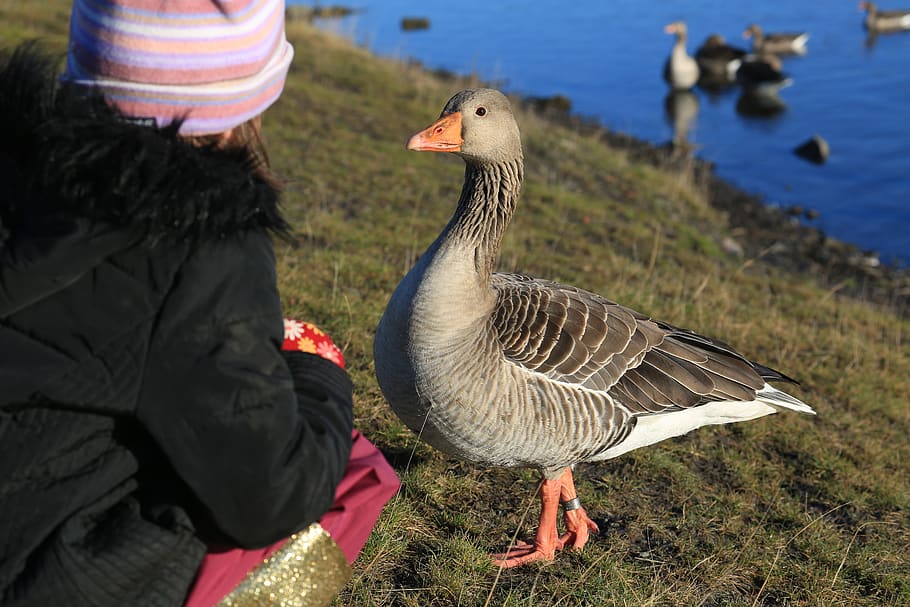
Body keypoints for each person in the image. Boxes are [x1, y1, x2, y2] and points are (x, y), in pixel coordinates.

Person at [0, 1, 398, 606]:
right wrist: (319, 377)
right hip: (46, 576)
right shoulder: (199, 247)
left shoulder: (15, 167)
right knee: (352, 475)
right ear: (250, 97)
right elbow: (269, 494)